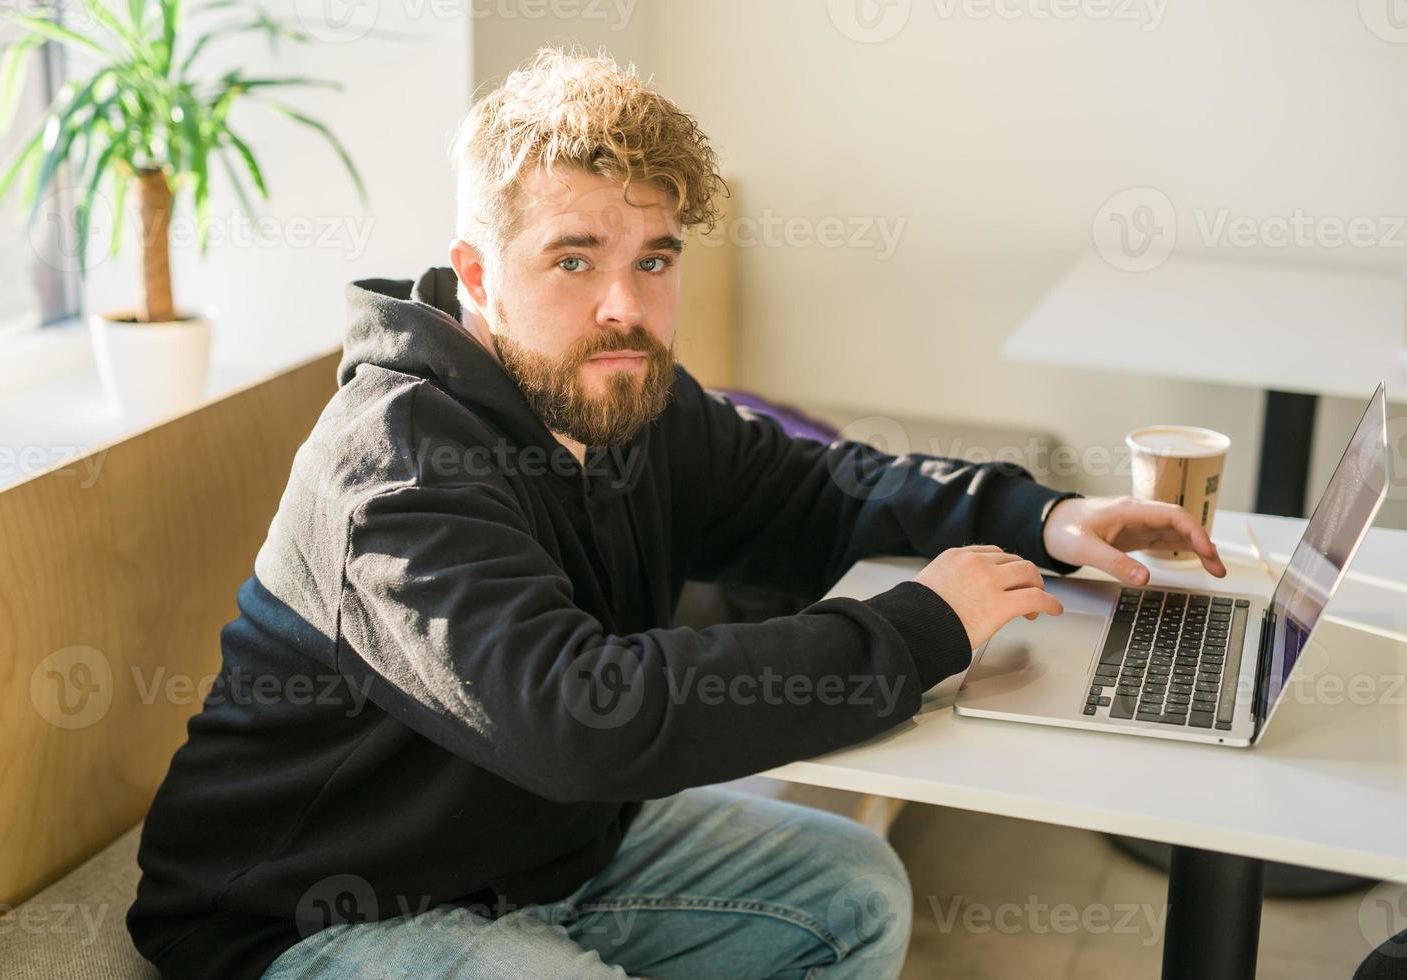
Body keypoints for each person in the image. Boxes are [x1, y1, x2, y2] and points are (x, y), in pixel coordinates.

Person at [126, 48, 1227, 980]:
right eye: (574, 259)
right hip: (316, 912)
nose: (627, 307)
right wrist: (916, 626)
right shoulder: (396, 472)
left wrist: (1044, 514)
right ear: (476, 274)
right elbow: (579, 716)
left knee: (847, 889)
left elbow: (809, 489)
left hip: (540, 854)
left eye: (653, 259)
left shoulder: (625, 396)